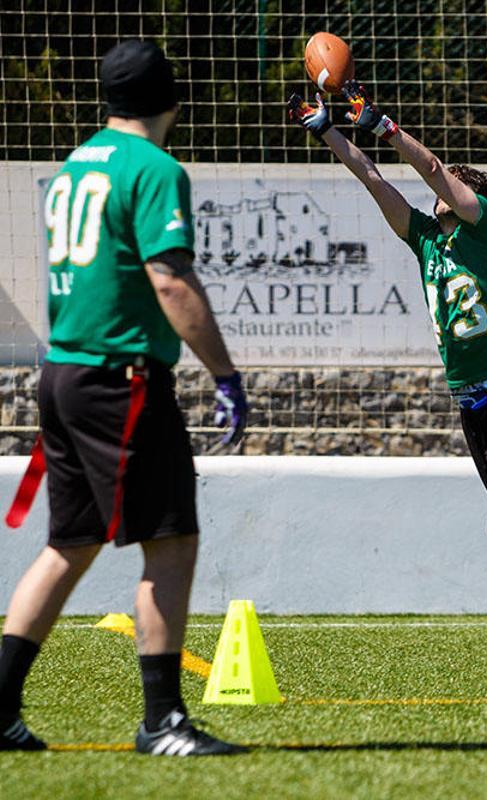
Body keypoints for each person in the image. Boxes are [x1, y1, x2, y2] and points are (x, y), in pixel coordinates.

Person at [288, 82, 487, 654]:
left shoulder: (485, 229)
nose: (438, 192)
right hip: (470, 395)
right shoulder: (426, 242)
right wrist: (330, 131)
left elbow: (434, 169)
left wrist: (384, 127)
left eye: (452, 189)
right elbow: (373, 180)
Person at [0, 41, 248, 756]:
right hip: (122, 380)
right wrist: (225, 374)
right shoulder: (155, 168)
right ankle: (162, 722)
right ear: (172, 98)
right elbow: (169, 279)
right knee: (171, 540)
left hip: (64, 374)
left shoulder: (77, 164)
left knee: (69, 543)